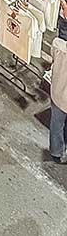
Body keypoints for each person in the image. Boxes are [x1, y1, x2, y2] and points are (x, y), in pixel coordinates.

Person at [48, 25, 67, 163]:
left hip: (58, 93)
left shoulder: (58, 45)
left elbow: (52, 57)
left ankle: (56, 152)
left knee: (56, 123)